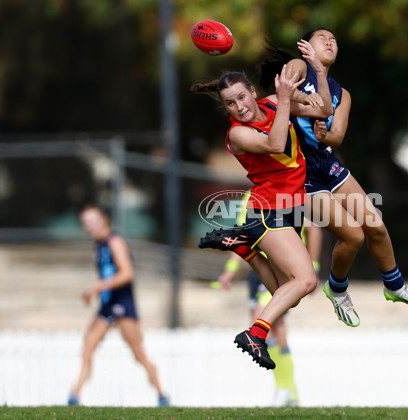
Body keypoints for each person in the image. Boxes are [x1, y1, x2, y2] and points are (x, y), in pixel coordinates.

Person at [259, 27, 408, 328]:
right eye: (321, 38)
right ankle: (338, 289)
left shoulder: (344, 94)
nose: (329, 41)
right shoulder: (300, 67)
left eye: (334, 39)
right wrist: (308, 96)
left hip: (327, 165)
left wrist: (326, 134)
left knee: (376, 226)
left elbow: (337, 135)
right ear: (305, 46)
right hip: (301, 172)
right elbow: (288, 94)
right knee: (353, 235)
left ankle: (395, 286)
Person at [192, 40, 333, 370]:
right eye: (230, 103)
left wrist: (321, 73)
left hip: (289, 208)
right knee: (307, 282)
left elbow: (325, 110)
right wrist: (286, 99)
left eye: (241, 97)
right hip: (267, 212)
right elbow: (275, 142)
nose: (238, 106)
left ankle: (245, 249)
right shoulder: (237, 134)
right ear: (226, 108)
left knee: (289, 293)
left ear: (253, 92)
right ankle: (255, 333)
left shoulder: (272, 105)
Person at [216, 191, 322, 406]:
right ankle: (288, 391)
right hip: (258, 270)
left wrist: (313, 266)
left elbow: (314, 228)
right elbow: (242, 235)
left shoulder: (290, 191)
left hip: (283, 266)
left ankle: (285, 389)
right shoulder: (249, 197)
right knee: (278, 330)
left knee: (263, 320)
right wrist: (230, 270)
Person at [68, 205, 168, 407]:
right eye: (86, 223)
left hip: (123, 303)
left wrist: (98, 287)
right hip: (107, 304)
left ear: (104, 219)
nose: (90, 226)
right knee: (87, 347)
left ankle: (161, 394)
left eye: (93, 220)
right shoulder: (99, 245)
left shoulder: (115, 241)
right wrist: (96, 291)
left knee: (138, 353)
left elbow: (127, 273)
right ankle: (74, 396)